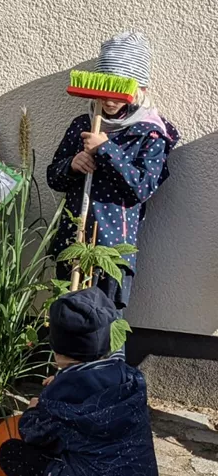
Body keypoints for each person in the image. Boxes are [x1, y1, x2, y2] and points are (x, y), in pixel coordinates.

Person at [0, 288, 167, 476]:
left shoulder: (59, 396)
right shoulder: (132, 379)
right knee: (123, 451)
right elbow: (95, 398)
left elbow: (34, 435)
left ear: (57, 348)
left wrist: (35, 409)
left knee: (12, 454)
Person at [48, 31, 180, 332]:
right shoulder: (82, 124)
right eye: (105, 89)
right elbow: (53, 177)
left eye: (119, 89)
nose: (109, 99)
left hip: (112, 248)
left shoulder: (150, 134)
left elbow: (142, 188)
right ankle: (65, 378)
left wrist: (105, 149)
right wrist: (72, 165)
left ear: (139, 88)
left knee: (105, 327)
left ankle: (106, 377)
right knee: (66, 323)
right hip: (74, 240)